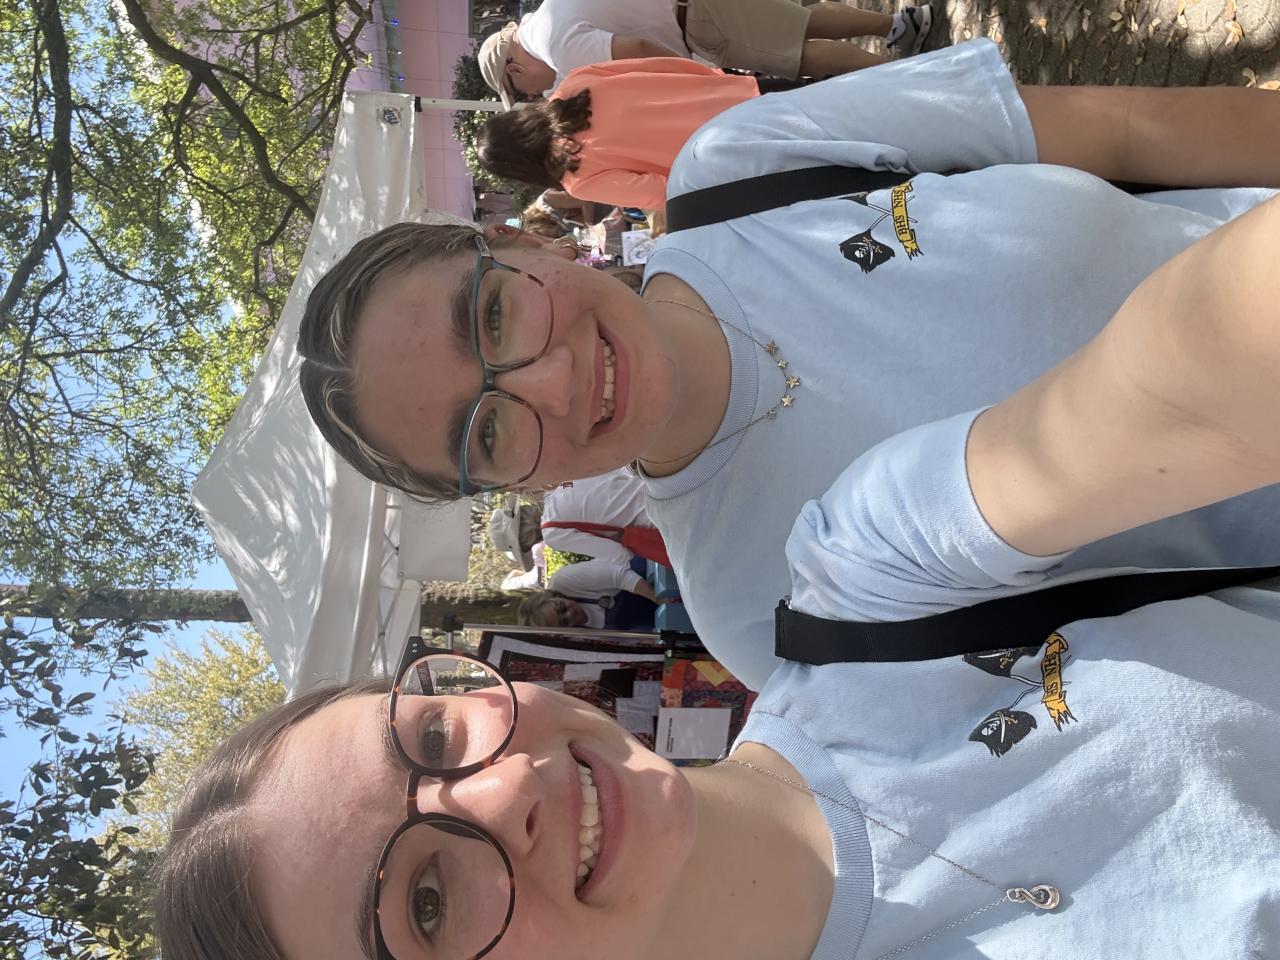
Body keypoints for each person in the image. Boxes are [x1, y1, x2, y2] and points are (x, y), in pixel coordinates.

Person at [155, 198, 1280, 958]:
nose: (501, 795)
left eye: (437, 736)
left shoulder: (862, 592)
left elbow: (1189, 368)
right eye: (428, 906)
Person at [297, 40, 1280, 690]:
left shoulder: (747, 163)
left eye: (492, 315)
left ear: (519, 241)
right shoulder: (755, 612)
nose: (548, 382)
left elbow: (1128, 128)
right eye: (486, 432)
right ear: (508, 488)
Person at [478, 1, 932, 110]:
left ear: (514, 68)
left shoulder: (557, 46)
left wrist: (700, 79)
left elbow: (639, 52)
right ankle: (900, 24)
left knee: (799, 56)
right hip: (689, 10)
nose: (534, 96)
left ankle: (913, 75)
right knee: (801, 21)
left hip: (695, 23)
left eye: (522, 92)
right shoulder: (548, 13)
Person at [478, 58, 761, 211]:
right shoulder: (576, 82)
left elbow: (667, 192)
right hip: (740, 93)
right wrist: (718, 80)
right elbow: (661, 66)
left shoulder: (579, 179)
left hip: (743, 157)